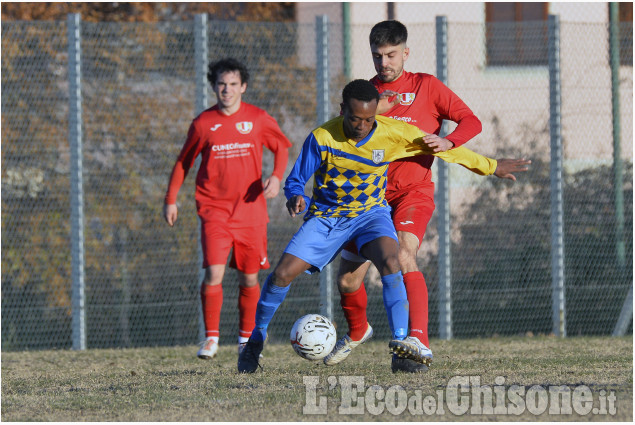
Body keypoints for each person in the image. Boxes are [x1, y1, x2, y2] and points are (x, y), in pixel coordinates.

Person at [237, 79, 528, 373]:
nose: (362, 125)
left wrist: (490, 166)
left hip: (370, 216)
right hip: (328, 217)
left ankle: (403, 347)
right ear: (342, 111)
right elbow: (296, 179)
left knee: (392, 260)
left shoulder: (393, 133)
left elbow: (443, 150)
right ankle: (255, 342)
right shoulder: (322, 137)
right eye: (354, 119)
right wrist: (296, 196)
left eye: (369, 119)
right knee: (282, 274)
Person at [163, 58, 291, 360]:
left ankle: (246, 339)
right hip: (214, 210)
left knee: (249, 278)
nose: (227, 89)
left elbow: (281, 148)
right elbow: (183, 163)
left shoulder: (258, 118)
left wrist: (275, 176)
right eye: (222, 84)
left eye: (233, 84)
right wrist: (171, 199)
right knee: (213, 274)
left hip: (250, 212)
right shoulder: (203, 123)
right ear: (214, 86)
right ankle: (211, 338)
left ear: (243, 87)